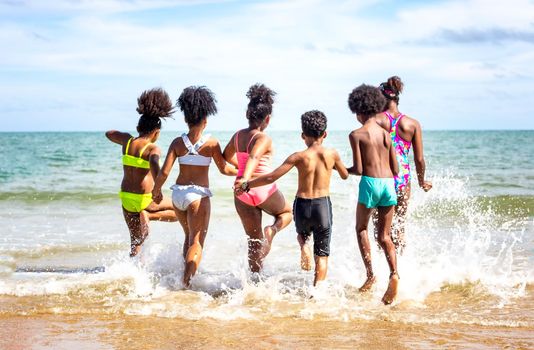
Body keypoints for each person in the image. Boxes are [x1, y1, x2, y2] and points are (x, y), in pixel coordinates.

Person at [235, 110, 348, 286]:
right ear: (325, 134)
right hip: (322, 206)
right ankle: (317, 292)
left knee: (303, 235)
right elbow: (345, 175)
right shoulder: (332, 154)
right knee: (322, 255)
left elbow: (271, 176)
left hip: (302, 205)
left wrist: (247, 184)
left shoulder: (297, 156)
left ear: (303, 136)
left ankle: (303, 245)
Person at [152, 86, 236, 287]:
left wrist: (156, 191)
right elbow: (224, 168)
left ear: (185, 119)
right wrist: (241, 172)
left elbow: (164, 172)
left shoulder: (177, 143)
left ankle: (183, 276)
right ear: (205, 120)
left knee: (189, 238)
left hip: (178, 196)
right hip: (197, 196)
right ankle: (185, 283)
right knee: (197, 243)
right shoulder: (211, 143)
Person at [223, 83, 293, 273]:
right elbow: (254, 156)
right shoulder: (264, 138)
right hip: (259, 188)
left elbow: (226, 156)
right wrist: (246, 178)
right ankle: (272, 230)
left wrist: (240, 173)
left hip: (241, 193)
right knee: (287, 213)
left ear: (247, 115)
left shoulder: (237, 136)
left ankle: (255, 281)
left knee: (253, 242)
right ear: (267, 119)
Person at [106, 88, 178, 257]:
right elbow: (154, 161)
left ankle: (134, 272)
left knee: (136, 240)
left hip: (126, 197)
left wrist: (126, 136)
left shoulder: (127, 141)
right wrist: (158, 188)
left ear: (138, 127)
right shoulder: (152, 148)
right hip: (144, 199)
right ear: (156, 132)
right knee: (180, 210)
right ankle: (149, 216)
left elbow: (109, 134)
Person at [347, 84, 400, 305]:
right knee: (385, 236)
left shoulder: (356, 134)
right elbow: (396, 169)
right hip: (389, 184)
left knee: (361, 229)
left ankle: (370, 274)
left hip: (369, 183)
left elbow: (359, 169)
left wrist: (339, 168)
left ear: (358, 111)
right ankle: (394, 273)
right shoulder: (387, 134)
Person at [375, 76, 432, 252]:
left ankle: (385, 269)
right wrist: (422, 181)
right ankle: (401, 270)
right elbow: (419, 159)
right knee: (399, 227)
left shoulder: (375, 121)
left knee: (380, 231)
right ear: (397, 98)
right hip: (402, 180)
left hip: (380, 178)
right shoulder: (413, 124)